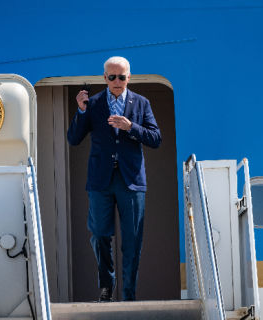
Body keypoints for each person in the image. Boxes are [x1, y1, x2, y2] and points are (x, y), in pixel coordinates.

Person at [67, 56, 161, 302]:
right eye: (112, 77)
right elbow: (74, 139)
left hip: (131, 181)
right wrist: (81, 111)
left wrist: (131, 127)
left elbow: (156, 138)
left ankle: (129, 295)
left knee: (132, 241)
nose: (117, 81)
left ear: (129, 77)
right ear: (104, 78)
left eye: (121, 77)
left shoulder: (141, 103)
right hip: (100, 181)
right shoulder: (94, 103)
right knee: (99, 234)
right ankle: (106, 288)